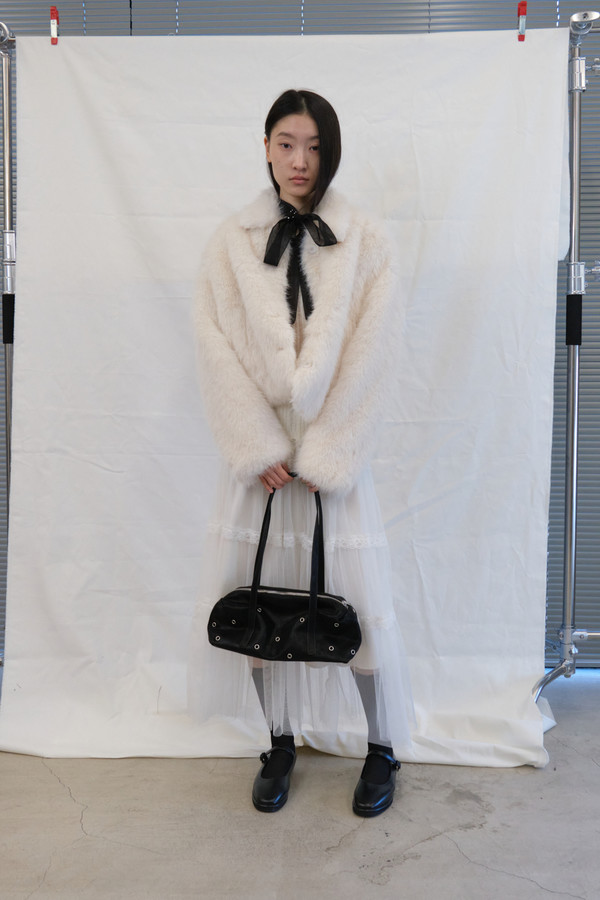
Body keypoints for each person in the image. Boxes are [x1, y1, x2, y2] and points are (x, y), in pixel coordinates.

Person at [192, 88, 413, 817]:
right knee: (257, 605)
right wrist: (254, 444)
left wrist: (329, 454)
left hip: (328, 463)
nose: (300, 160)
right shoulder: (231, 241)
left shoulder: (366, 241)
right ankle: (278, 742)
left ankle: (382, 748)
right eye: (287, 143)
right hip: (262, 464)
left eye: (315, 146)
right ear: (265, 146)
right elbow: (213, 345)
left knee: (359, 611)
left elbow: (374, 355)